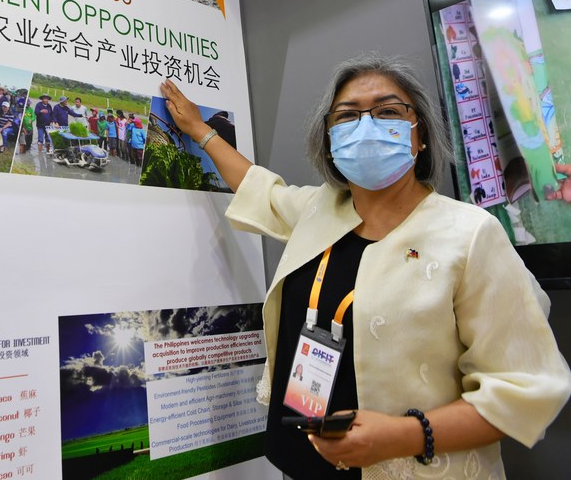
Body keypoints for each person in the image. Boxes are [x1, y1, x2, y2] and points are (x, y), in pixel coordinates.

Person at [159, 53, 570, 479]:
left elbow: (526, 388)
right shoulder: (319, 210)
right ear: (329, 141)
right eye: (348, 115)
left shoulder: (470, 234)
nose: (366, 125)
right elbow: (258, 189)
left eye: (388, 111)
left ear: (420, 135)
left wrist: (406, 436)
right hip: (300, 461)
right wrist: (200, 130)